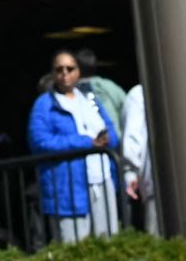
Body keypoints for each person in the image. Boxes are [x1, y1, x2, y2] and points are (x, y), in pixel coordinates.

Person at [28, 49, 121, 242]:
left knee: (108, 242)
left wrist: (107, 139)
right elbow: (39, 141)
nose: (65, 74)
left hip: (100, 180)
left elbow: (111, 129)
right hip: (67, 187)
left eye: (70, 68)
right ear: (53, 74)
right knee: (73, 246)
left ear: (78, 72)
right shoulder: (44, 104)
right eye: (59, 69)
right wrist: (86, 142)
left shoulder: (90, 99)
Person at [119, 84, 155, 231]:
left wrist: (130, 172)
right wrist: (130, 172)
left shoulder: (138, 94)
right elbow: (132, 136)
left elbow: (132, 135)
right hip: (153, 180)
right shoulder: (139, 94)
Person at [76, 49, 126, 135]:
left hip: (86, 144)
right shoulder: (109, 86)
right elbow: (127, 107)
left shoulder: (70, 91)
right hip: (114, 141)